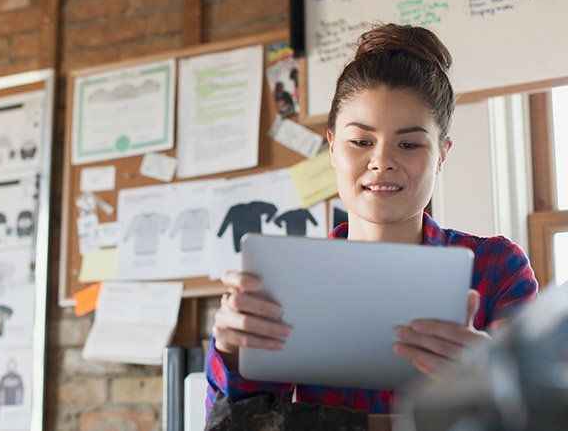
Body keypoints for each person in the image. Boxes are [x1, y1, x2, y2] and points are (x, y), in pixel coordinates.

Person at [206, 23, 539, 416]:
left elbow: (538, 412)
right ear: (331, 146)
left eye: (410, 144)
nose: (381, 161)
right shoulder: (290, 278)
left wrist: (495, 377)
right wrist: (229, 350)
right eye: (361, 142)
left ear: (442, 153)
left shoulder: (496, 267)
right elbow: (241, 421)